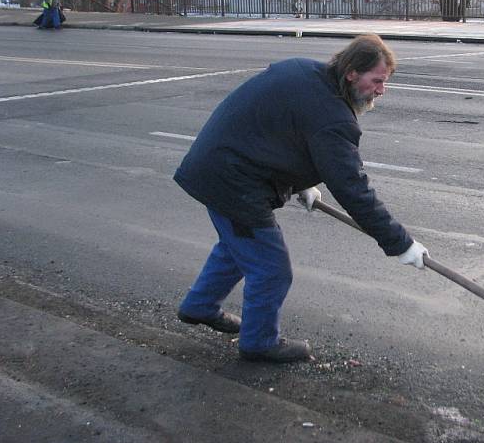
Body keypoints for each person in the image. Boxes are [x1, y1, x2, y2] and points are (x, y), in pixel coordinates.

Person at [174, 34, 429, 363]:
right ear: (352, 72)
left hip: (218, 166)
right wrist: (401, 244)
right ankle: (259, 343)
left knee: (239, 246)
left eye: (385, 82)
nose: (381, 90)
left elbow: (281, 130)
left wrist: (299, 182)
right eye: (377, 80)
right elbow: (353, 188)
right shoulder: (334, 118)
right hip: (232, 181)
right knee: (271, 269)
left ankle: (199, 306)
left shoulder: (305, 71)